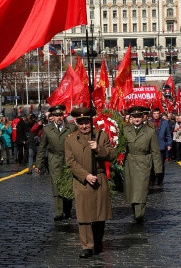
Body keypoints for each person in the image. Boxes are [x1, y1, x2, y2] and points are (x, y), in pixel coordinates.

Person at [65, 107, 116, 259]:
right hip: (82, 181)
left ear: (91, 121)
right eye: (80, 123)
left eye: (86, 122)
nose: (84, 126)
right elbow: (70, 162)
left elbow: (112, 154)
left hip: (99, 179)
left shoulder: (101, 135)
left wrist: (99, 149)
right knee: (84, 215)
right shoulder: (70, 139)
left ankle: (98, 242)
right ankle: (87, 246)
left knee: (100, 214)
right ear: (77, 123)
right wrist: (85, 175)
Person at [33, 104, 76, 221]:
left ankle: (67, 211)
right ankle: (58, 212)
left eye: (60, 115)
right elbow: (42, 148)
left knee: (68, 184)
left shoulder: (71, 128)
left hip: (68, 160)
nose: (59, 117)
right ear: (52, 116)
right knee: (56, 185)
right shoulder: (47, 129)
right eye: (56, 115)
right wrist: (38, 164)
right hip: (54, 160)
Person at [122, 105, 162, 224]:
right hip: (129, 163)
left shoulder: (150, 131)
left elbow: (155, 151)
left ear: (143, 117)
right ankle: (135, 211)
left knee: (141, 189)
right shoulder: (125, 130)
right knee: (132, 189)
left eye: (139, 116)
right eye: (134, 117)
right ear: (131, 118)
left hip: (144, 162)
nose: (137, 119)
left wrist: (158, 169)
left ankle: (139, 214)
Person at [149, 108, 171, 186]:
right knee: (152, 164)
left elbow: (168, 135)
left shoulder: (165, 122)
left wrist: (169, 144)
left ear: (160, 114)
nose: (156, 115)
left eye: (157, 113)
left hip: (162, 146)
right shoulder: (149, 122)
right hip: (152, 147)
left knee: (161, 164)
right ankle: (152, 180)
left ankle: (160, 180)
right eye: (154, 113)